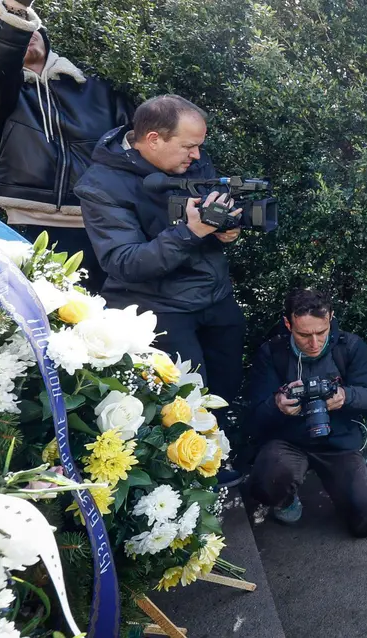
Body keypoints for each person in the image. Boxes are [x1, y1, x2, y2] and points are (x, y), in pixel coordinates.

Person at [76, 95, 249, 476]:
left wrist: (225, 229)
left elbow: (212, 208)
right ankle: (193, 479)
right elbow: (123, 261)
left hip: (215, 297)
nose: (197, 155)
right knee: (184, 403)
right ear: (153, 139)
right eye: (189, 146)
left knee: (225, 388)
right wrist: (191, 232)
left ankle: (219, 458)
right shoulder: (101, 185)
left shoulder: (190, 159)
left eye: (199, 146)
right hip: (159, 308)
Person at [0, 0, 133, 293]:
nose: (26, 34)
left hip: (102, 221)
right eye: (13, 31)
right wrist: (13, 8)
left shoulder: (95, 86)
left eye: (29, 26)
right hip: (31, 225)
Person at [246, 289, 367, 534]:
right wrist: (277, 404)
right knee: (264, 483)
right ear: (288, 324)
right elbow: (254, 416)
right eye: (303, 335)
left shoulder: (349, 346)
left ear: (330, 318)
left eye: (321, 332)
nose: (314, 343)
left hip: (337, 442)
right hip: (289, 441)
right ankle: (286, 500)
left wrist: (345, 396)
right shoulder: (272, 352)